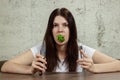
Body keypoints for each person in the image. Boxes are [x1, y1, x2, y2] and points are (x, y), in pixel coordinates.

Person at [1, 8, 120, 74]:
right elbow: (6, 66)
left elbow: (118, 64)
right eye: (55, 25)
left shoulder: (82, 50)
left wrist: (94, 68)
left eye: (65, 25)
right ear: (50, 30)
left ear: (71, 30)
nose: (60, 30)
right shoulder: (41, 50)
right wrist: (29, 69)